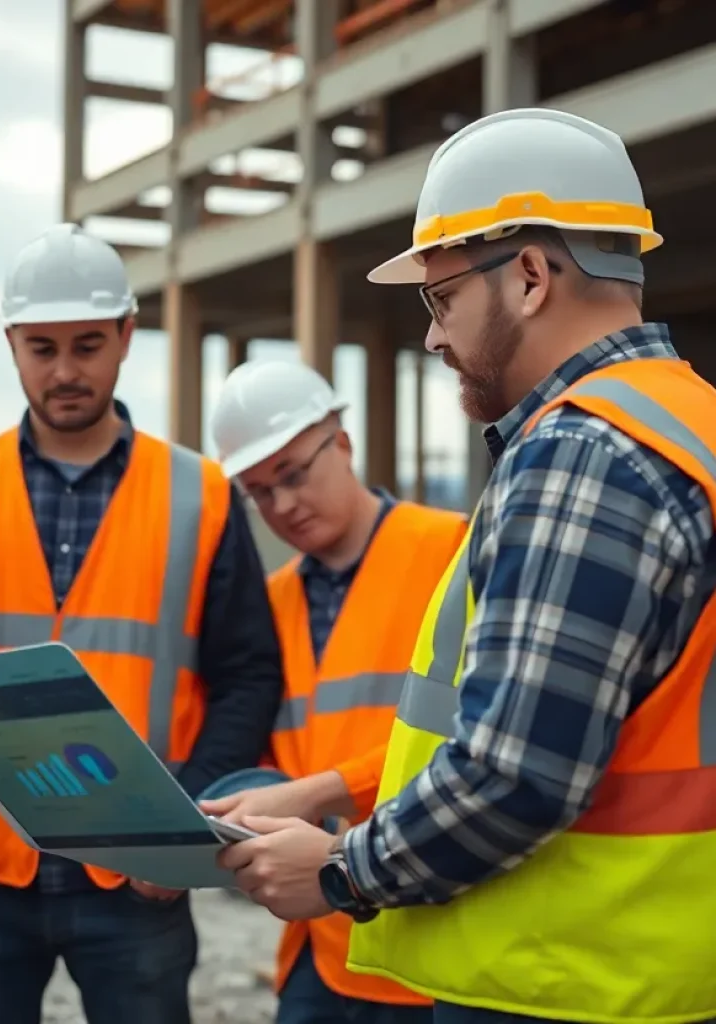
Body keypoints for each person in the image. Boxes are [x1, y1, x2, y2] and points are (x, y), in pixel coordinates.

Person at [216, 106, 716, 1024]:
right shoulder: (691, 424)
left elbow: (515, 772)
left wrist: (339, 869)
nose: (434, 339)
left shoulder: (583, 452)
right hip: (661, 974)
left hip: (565, 979)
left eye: (442, 300)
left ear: (529, 276)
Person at [0, 222, 285, 1024]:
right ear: (11, 344)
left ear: (126, 334)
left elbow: (249, 675)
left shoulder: (201, 494)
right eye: (41, 348)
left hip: (137, 876)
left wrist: (182, 824)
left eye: (87, 344)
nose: (66, 370)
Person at [200, 360, 467, 1024]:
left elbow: (475, 741)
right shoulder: (272, 602)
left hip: (432, 939)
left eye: (292, 475)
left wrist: (320, 791)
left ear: (342, 444)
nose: (282, 505)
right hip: (319, 947)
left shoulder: (451, 552)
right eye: (259, 492)